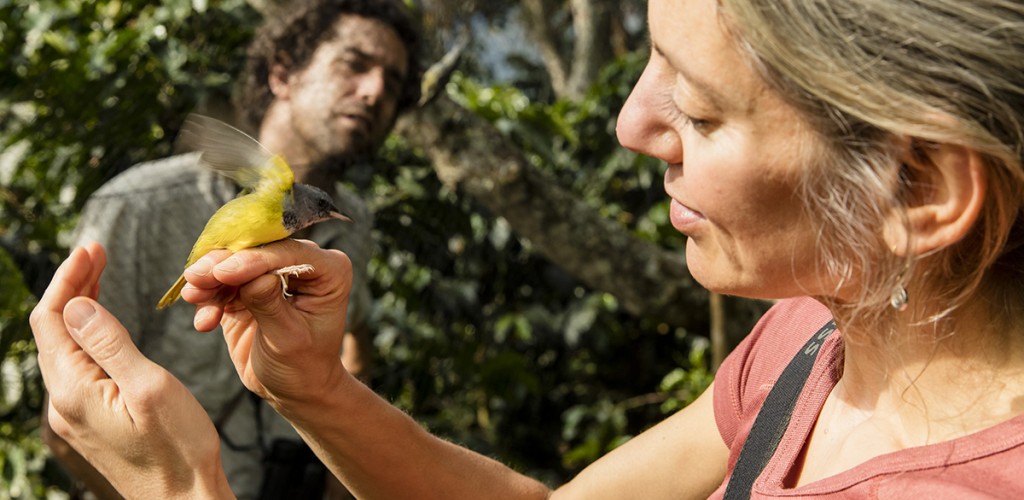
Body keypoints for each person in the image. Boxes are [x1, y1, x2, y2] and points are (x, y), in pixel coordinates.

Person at [31, 0, 1024, 497]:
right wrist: (313, 389)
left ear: (918, 186)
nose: (632, 124)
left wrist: (174, 488)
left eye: (699, 108)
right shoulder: (820, 334)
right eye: (647, 60)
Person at [39, 0, 422, 498]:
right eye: (353, 64)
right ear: (282, 73)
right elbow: (70, 417)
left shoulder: (356, 224)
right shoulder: (138, 207)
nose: (373, 92)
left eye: (391, 85)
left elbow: (356, 335)